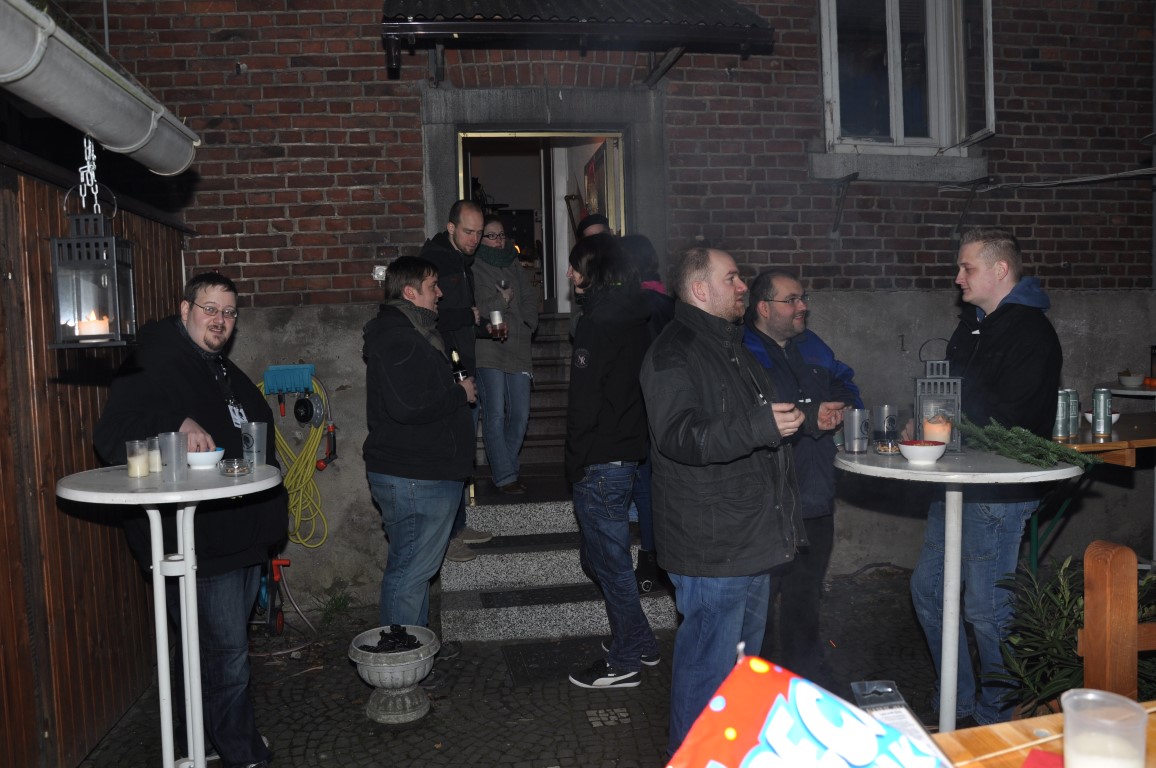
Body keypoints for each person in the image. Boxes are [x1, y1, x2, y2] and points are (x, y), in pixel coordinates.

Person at [639, 247, 845, 754]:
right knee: (707, 674)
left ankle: (731, 755)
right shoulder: (675, 351)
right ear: (699, 290)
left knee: (738, 675)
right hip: (713, 546)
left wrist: (805, 416)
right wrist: (759, 425)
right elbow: (680, 436)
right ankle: (694, 758)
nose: (742, 287)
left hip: (750, 539)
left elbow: (757, 415)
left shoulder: (730, 345)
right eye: (731, 278)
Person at [94, 272, 285, 768]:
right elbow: (112, 434)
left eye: (229, 313)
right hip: (198, 540)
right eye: (210, 309)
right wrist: (174, 424)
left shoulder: (218, 367)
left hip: (239, 533)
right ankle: (241, 752)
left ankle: (198, 738)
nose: (220, 320)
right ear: (185, 310)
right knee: (226, 655)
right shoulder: (152, 360)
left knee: (208, 651)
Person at [910, 227, 1062, 725]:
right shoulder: (972, 326)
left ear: (1000, 270)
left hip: (999, 490)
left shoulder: (1031, 333)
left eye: (967, 268)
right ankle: (955, 702)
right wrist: (925, 419)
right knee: (929, 592)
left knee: (986, 609)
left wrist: (947, 418)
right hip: (955, 481)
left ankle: (997, 717)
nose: (958, 278)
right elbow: (949, 396)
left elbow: (1012, 417)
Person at [742, 269, 861, 687]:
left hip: (814, 493)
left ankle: (804, 678)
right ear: (763, 307)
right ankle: (754, 684)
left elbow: (846, 383)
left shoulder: (813, 346)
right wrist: (808, 413)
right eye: (791, 300)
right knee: (758, 604)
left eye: (803, 298)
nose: (802, 306)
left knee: (805, 595)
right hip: (766, 504)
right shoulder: (740, 351)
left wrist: (843, 407)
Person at [564, 234, 661, 689]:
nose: (569, 274)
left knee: (611, 565)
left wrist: (574, 461)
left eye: (575, 266)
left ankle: (624, 661)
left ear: (593, 271)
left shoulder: (596, 323)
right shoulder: (637, 315)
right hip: (627, 451)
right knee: (602, 559)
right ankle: (640, 640)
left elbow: (585, 401)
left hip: (602, 457)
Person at [363, 256, 477, 633]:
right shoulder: (399, 337)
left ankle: (416, 648)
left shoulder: (416, 332)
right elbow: (409, 406)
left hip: (423, 472)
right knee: (410, 574)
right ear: (410, 293)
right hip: (414, 476)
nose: (440, 293)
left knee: (416, 572)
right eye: (432, 287)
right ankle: (401, 655)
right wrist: (459, 394)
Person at [419, 199, 493, 557]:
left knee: (462, 449)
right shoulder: (435, 261)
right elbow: (427, 317)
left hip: (463, 364)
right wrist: (467, 316)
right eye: (468, 232)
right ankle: (446, 537)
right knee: (449, 453)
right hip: (446, 370)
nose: (474, 239)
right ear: (451, 228)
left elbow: (459, 318)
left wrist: (479, 324)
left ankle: (458, 525)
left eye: (479, 233)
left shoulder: (461, 261)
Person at [620, 233, 675, 592]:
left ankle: (649, 557)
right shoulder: (669, 303)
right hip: (668, 405)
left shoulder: (636, 305)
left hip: (641, 404)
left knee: (642, 485)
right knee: (656, 484)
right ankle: (658, 555)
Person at [473, 215, 539, 495]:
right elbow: (478, 307)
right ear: (481, 239)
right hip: (489, 346)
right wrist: (502, 300)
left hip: (518, 346)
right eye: (492, 236)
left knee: (521, 414)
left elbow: (529, 296)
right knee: (495, 415)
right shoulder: (474, 265)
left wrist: (529, 322)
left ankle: (506, 467)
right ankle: (505, 476)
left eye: (501, 235)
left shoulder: (513, 263)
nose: (498, 241)